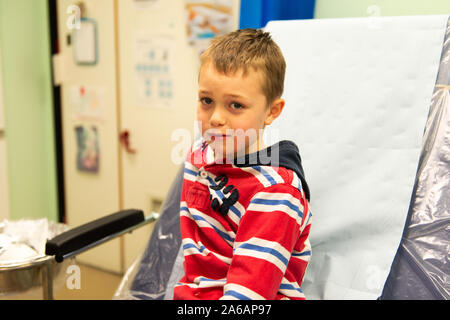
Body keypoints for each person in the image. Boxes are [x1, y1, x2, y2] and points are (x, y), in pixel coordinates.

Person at [173, 28, 312, 300]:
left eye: (235, 105)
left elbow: (249, 295)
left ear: (271, 111)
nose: (215, 118)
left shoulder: (276, 193)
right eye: (206, 101)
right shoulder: (200, 154)